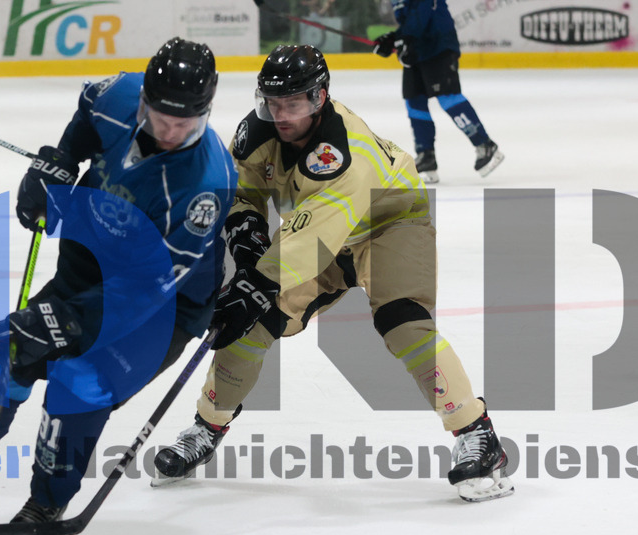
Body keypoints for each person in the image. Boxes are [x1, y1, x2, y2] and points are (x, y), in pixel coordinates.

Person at [0, 38, 237, 535]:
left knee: (80, 381)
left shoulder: (207, 183)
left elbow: (151, 287)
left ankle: (45, 504)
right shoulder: (118, 94)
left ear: (205, 114)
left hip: (162, 306)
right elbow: (85, 119)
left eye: (184, 125)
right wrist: (55, 165)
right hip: (92, 255)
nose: (169, 133)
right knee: (7, 356)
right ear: (143, 100)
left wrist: (69, 321)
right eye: (160, 118)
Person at [152, 44, 514, 503]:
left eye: (294, 103)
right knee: (249, 325)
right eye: (272, 102)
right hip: (319, 233)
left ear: (319, 97)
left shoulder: (344, 153)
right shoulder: (256, 132)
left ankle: (477, 433)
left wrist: (256, 282)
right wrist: (245, 232)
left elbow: (311, 241)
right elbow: (240, 189)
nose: (281, 115)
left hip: (389, 224)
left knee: (403, 322)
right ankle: (207, 426)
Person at [372, 0, 504, 183]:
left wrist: (405, 37)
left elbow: (423, 9)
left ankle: (485, 144)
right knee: (414, 99)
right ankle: (426, 156)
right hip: (417, 48)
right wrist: (394, 38)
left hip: (437, 44)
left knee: (447, 96)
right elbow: (410, 18)